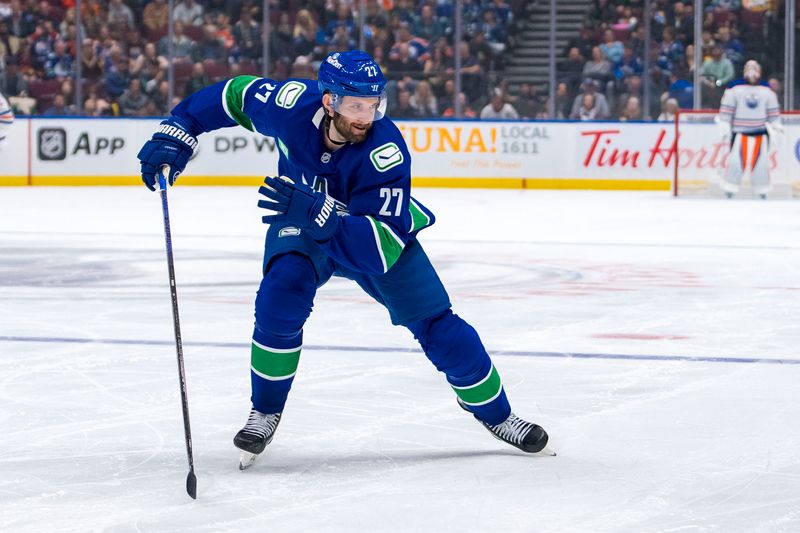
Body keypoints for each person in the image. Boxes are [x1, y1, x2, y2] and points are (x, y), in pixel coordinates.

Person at [136, 50, 554, 469]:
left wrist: (325, 219)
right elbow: (233, 95)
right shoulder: (290, 106)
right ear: (328, 101)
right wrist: (180, 128)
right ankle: (265, 410)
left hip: (371, 233)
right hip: (302, 218)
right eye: (356, 106)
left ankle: (499, 415)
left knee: (439, 326)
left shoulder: (384, 152)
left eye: (373, 105)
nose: (366, 116)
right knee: (279, 298)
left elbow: (377, 252)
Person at [716, 59, 781, 199]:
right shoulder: (734, 88)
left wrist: (776, 124)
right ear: (744, 70)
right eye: (749, 68)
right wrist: (724, 124)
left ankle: (761, 188)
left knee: (761, 163)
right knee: (735, 162)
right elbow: (726, 110)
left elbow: (773, 112)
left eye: (755, 68)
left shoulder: (767, 90)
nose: (752, 71)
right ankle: (730, 188)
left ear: (760, 71)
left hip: (761, 133)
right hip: (740, 132)